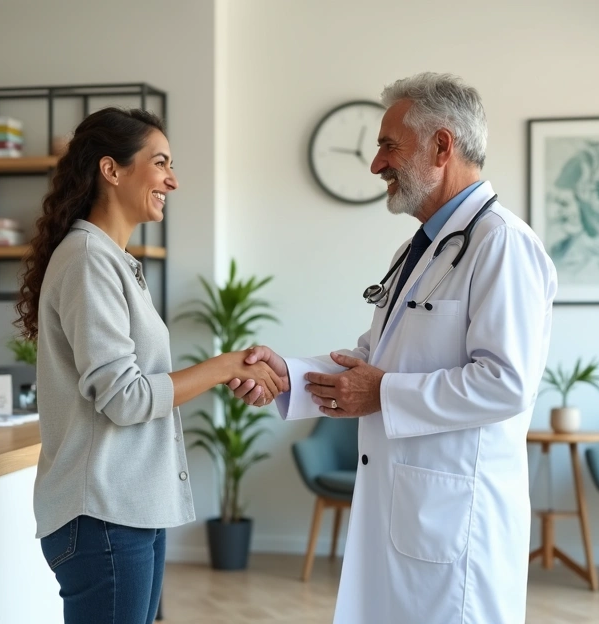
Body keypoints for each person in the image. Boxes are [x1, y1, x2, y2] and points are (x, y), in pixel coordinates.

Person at [227, 73, 557, 624]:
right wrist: (289, 375)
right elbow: (373, 360)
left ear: (442, 146)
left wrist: (384, 393)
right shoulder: (418, 249)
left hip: (454, 518)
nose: (376, 164)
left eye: (387, 145)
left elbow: (508, 382)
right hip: (404, 504)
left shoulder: (501, 242)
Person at [16, 107, 286, 624]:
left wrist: (226, 368)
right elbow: (126, 398)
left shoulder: (110, 260)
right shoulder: (89, 259)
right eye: (160, 162)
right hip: (102, 516)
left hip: (127, 512)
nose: (173, 180)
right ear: (111, 169)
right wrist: (224, 365)